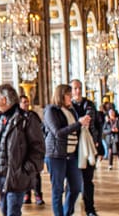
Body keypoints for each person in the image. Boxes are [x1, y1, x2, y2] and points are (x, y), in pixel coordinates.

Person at [0, 84, 45, 216]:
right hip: (0, 175)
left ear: (4, 99)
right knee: (5, 210)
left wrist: (25, 170)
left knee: (13, 211)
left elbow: (38, 148)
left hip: (17, 175)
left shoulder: (26, 118)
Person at [44, 84, 91, 216]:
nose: (71, 97)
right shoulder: (51, 111)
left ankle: (66, 213)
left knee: (76, 187)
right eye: (69, 95)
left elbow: (75, 128)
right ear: (61, 95)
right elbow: (58, 133)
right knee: (58, 189)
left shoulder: (71, 110)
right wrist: (79, 123)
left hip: (72, 154)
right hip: (56, 155)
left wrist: (83, 125)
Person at [70, 79, 102, 216]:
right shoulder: (68, 106)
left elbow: (98, 124)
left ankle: (90, 208)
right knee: (72, 180)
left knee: (88, 179)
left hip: (88, 145)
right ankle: (69, 209)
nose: (78, 91)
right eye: (75, 88)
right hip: (73, 147)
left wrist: (98, 143)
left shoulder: (89, 104)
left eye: (79, 88)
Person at [19, 95, 45, 205]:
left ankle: (38, 194)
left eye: (27, 101)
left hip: (33, 147)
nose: (26, 104)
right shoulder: (17, 115)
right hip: (22, 148)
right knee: (25, 173)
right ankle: (26, 194)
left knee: (35, 172)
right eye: (24, 102)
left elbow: (40, 128)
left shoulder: (33, 115)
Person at [103, 105, 119, 170]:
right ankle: (110, 165)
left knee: (118, 151)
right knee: (110, 151)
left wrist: (118, 130)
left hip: (117, 138)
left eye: (112, 112)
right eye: (110, 113)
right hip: (110, 138)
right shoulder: (107, 121)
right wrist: (110, 130)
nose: (111, 114)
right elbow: (104, 130)